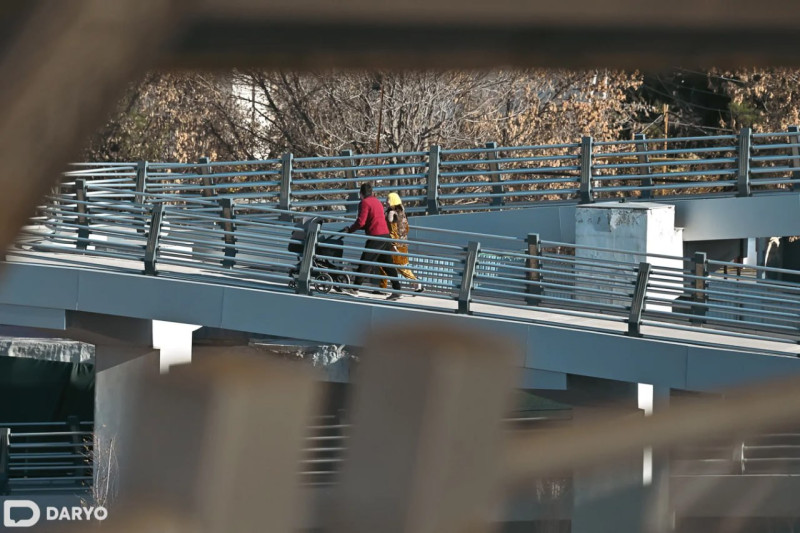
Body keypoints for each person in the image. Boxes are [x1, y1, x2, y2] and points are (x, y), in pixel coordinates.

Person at [345, 183, 402, 300]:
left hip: (376, 236)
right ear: (372, 192)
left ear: (361, 194)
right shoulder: (377, 202)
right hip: (385, 236)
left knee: (365, 262)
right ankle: (397, 289)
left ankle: (355, 289)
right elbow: (370, 220)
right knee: (388, 264)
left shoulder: (364, 203)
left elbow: (361, 222)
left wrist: (350, 229)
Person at [380, 193, 423, 293]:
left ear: (393, 201)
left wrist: (393, 244)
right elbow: (406, 228)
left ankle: (383, 287)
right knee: (399, 266)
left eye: (388, 199)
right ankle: (382, 287)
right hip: (403, 243)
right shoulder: (402, 213)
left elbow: (392, 231)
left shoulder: (391, 213)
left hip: (394, 245)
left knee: (396, 266)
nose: (386, 201)